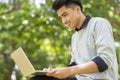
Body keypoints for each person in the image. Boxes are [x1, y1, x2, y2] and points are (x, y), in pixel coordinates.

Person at [29, 0, 118, 80]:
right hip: (79, 78)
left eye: (65, 15)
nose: (63, 21)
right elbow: (74, 65)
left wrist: (70, 70)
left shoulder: (99, 24)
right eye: (61, 17)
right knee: (38, 78)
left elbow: (105, 61)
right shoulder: (74, 37)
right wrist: (55, 72)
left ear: (78, 9)